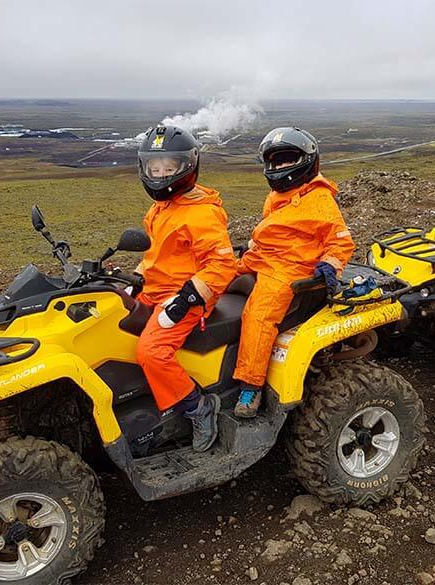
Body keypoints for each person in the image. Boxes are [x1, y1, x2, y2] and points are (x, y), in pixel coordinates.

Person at [233, 127, 355, 418]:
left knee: (259, 316)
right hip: (260, 257)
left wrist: (329, 264)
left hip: (288, 268)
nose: (282, 167)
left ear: (307, 162)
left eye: (289, 160)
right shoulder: (276, 197)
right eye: (277, 161)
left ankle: (251, 386)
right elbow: (276, 231)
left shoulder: (320, 199)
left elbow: (340, 241)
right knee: (214, 280)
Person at [134, 124, 237, 451]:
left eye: (168, 168)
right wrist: (131, 280)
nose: (160, 174)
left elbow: (222, 265)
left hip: (186, 297)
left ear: (187, 167)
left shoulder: (202, 214)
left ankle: (198, 407)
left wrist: (186, 298)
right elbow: (155, 255)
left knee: (152, 351)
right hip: (155, 288)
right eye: (154, 168)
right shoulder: (159, 208)